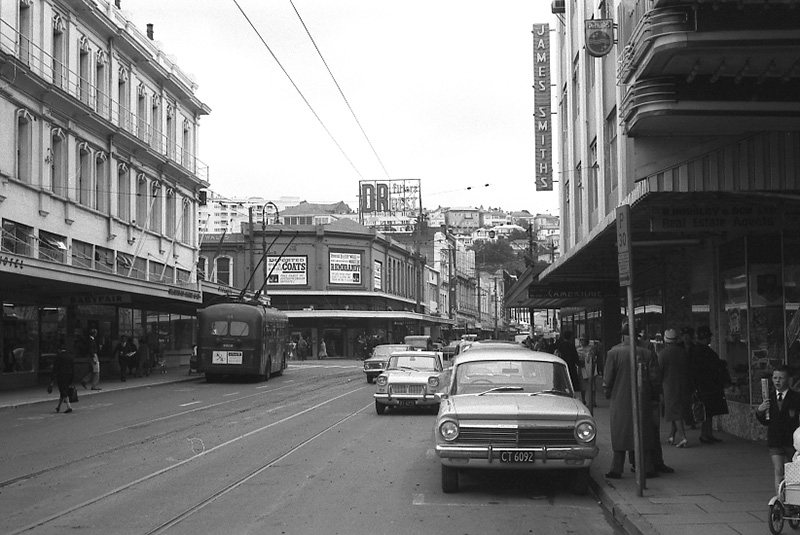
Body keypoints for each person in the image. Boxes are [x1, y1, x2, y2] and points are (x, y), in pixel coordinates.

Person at [602, 323, 657, 479]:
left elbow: (607, 380)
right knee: (643, 433)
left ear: (623, 336)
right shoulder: (647, 353)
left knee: (620, 434)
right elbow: (655, 379)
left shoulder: (613, 353)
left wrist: (608, 393)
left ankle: (617, 468)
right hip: (642, 400)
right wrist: (653, 396)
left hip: (619, 400)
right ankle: (646, 467)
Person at [756, 366, 800, 494]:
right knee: (778, 470)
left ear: (788, 380)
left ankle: (792, 496)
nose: (777, 381)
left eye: (781, 378)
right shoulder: (768, 398)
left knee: (794, 471)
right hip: (775, 439)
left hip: (791, 440)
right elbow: (765, 421)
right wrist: (760, 411)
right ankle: (780, 498)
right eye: (775, 378)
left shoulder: (796, 397)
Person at [691, 325, 728, 444]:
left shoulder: (701, 350)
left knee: (709, 411)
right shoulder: (701, 351)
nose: (710, 339)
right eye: (708, 337)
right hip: (706, 386)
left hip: (708, 385)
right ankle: (705, 434)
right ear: (704, 337)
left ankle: (708, 433)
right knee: (706, 411)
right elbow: (703, 369)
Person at [659, 328, 691, 449]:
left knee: (675, 412)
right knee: (677, 411)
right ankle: (671, 435)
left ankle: (683, 437)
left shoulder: (663, 354)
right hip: (683, 385)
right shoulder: (683, 352)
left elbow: (659, 372)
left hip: (669, 386)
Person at [555, 331, 582, 396]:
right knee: (571, 381)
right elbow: (575, 357)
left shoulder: (560, 346)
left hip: (562, 365)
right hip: (571, 366)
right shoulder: (571, 346)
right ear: (570, 337)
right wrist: (578, 363)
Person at [51, 348, 75, 413]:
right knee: (64, 390)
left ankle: (69, 406)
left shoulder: (59, 357)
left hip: (61, 375)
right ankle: (58, 406)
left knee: (63, 390)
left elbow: (55, 368)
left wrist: (53, 378)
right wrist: (72, 378)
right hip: (69, 375)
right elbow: (72, 367)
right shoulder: (70, 356)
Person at [576, 333, 597, 405]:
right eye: (581, 340)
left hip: (589, 367)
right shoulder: (578, 349)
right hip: (582, 368)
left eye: (583, 340)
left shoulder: (591, 349)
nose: (582, 342)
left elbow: (593, 358)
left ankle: (593, 400)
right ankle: (583, 399)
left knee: (592, 385)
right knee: (582, 385)